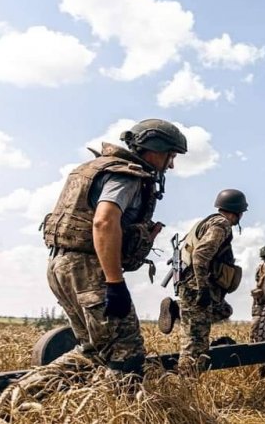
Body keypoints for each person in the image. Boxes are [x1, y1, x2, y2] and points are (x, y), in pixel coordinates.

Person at [41, 118, 187, 375]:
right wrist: (115, 284)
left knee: (95, 352)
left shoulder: (94, 169)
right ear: (155, 149)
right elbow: (104, 222)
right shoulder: (126, 176)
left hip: (61, 265)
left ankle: (14, 397)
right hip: (88, 269)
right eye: (171, 156)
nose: (171, 165)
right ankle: (124, 405)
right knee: (126, 354)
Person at [171, 189, 247, 375]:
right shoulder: (221, 225)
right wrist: (203, 288)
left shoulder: (207, 221)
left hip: (191, 284)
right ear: (237, 211)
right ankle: (187, 383)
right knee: (195, 342)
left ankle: (176, 311)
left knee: (224, 310)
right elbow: (200, 256)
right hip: (196, 288)